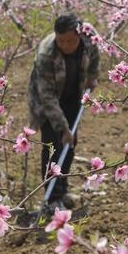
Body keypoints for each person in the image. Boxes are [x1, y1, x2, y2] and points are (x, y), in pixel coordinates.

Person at [27, 13, 100, 210]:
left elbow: (95, 56)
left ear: (79, 35)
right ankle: (52, 199)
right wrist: (63, 127)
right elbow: (48, 96)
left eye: (71, 41)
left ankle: (62, 189)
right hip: (47, 102)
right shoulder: (46, 53)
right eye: (61, 41)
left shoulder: (88, 35)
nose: (66, 45)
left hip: (73, 95)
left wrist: (92, 77)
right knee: (53, 145)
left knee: (69, 144)